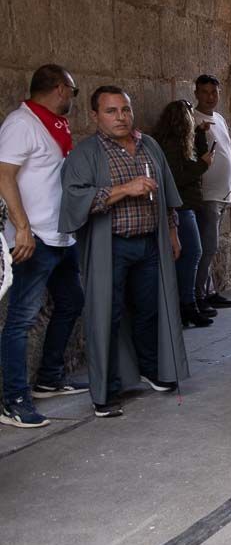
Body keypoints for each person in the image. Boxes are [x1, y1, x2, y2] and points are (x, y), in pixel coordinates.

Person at [59, 86, 189, 418]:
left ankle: (151, 368)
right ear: (94, 116)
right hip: (111, 246)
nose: (121, 117)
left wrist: (172, 232)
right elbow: (76, 199)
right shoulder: (85, 154)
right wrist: (123, 189)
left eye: (125, 110)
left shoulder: (150, 146)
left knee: (150, 309)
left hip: (149, 243)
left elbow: (168, 197)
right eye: (111, 111)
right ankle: (106, 391)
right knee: (108, 314)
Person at [0, 65, 87, 428]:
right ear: (59, 88)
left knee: (71, 300)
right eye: (73, 90)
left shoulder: (52, 125)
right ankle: (13, 399)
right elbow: (4, 175)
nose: (74, 98)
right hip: (34, 237)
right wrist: (21, 228)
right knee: (21, 318)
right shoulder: (21, 124)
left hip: (60, 234)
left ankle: (50, 377)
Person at [154, 100, 213, 328]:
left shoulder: (180, 142)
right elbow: (177, 177)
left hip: (187, 205)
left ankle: (187, 304)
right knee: (192, 254)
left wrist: (199, 134)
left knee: (190, 255)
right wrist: (202, 166)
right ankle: (186, 305)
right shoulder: (171, 145)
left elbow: (194, 158)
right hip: (181, 207)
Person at [191, 75, 231, 314]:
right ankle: (198, 295)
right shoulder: (193, 120)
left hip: (222, 193)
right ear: (196, 93)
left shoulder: (219, 118)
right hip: (206, 195)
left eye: (214, 92)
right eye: (205, 92)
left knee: (210, 246)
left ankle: (208, 290)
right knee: (206, 247)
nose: (210, 97)